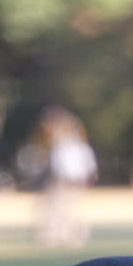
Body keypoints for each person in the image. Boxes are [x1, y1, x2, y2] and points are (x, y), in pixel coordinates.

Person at [36, 106, 95, 247]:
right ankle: (56, 235)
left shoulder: (72, 145)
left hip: (69, 181)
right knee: (58, 208)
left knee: (67, 208)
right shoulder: (65, 145)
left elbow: (84, 163)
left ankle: (71, 235)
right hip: (63, 181)